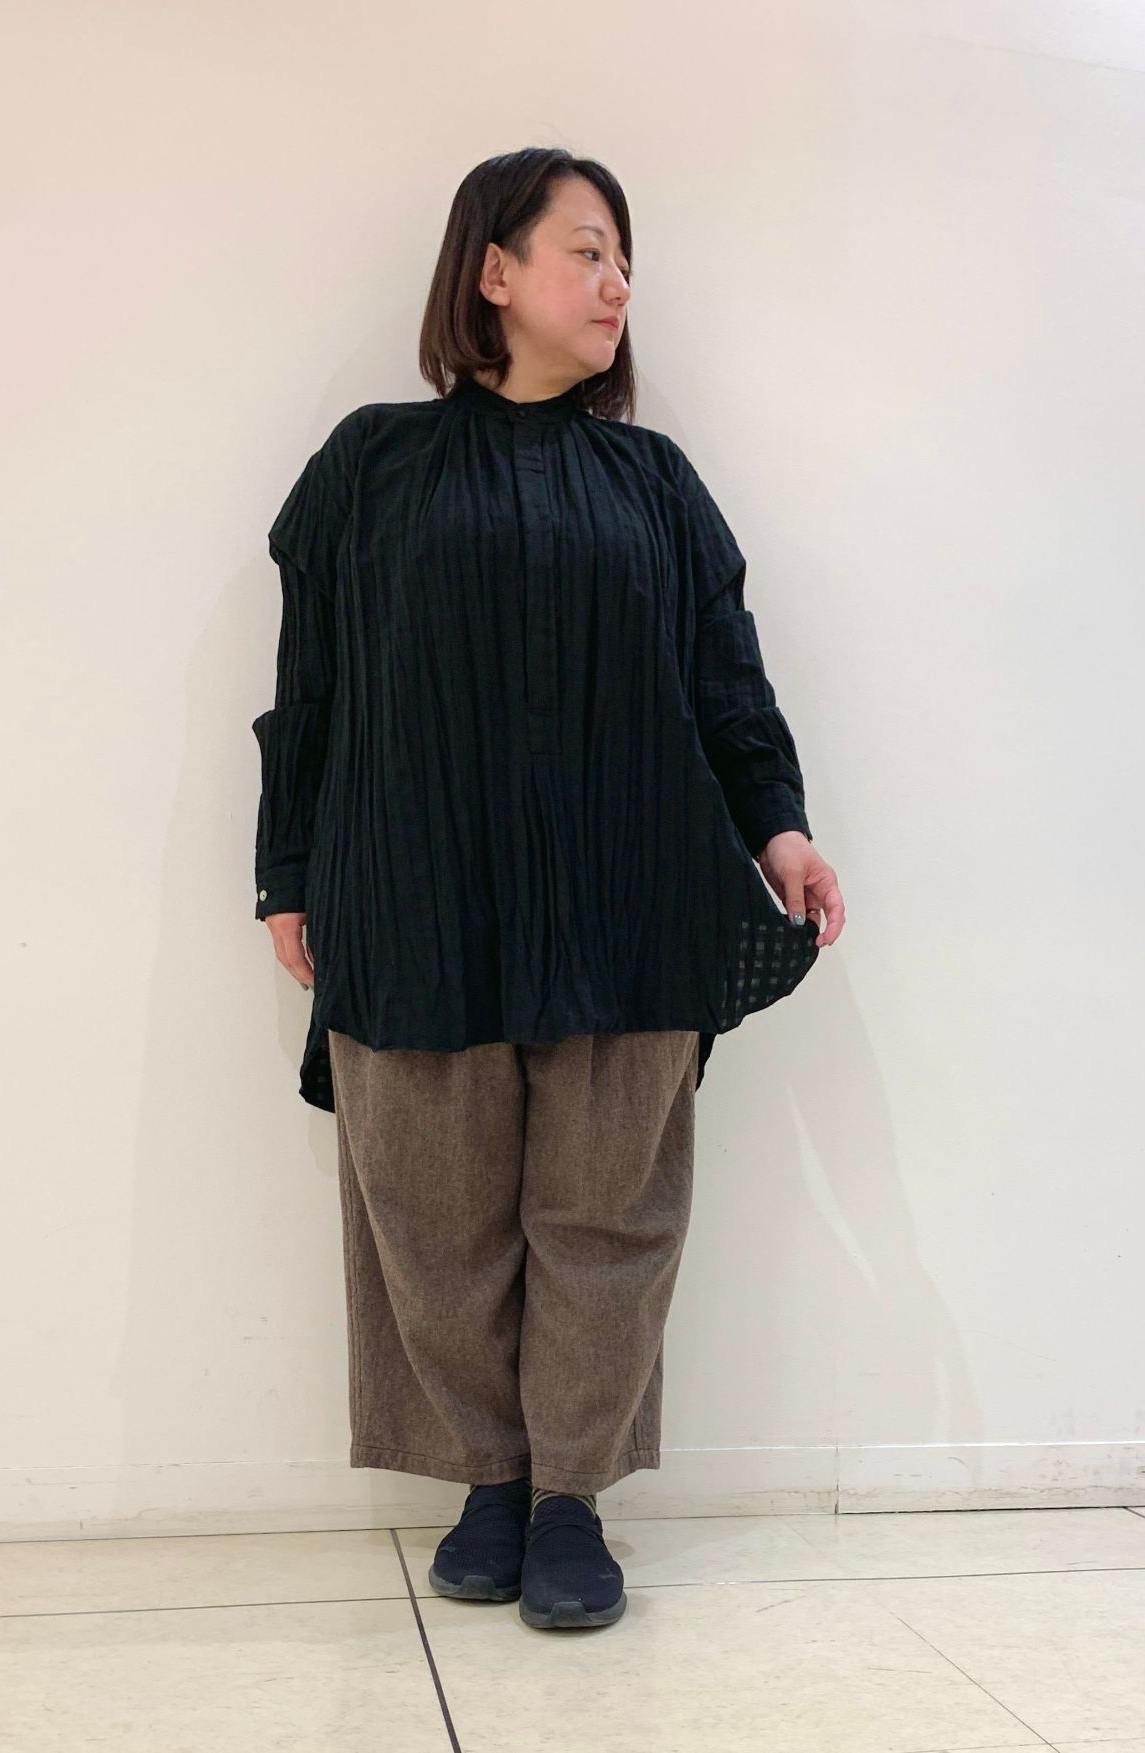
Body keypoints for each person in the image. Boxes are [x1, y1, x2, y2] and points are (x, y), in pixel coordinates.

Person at [251, 147, 846, 1631]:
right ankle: (492, 1480)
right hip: (415, 888)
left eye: (625, 258)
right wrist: (286, 871)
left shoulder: (654, 481)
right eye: (587, 250)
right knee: (433, 1209)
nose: (617, 282)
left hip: (630, 893)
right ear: (494, 271)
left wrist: (778, 829)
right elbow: (308, 691)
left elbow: (724, 675)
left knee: (605, 1213)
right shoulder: (369, 467)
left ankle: (572, 1496)